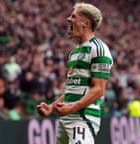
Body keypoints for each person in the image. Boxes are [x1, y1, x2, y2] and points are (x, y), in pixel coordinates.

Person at [37, 2, 113, 144]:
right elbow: (72, 89)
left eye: (73, 16)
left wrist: (71, 108)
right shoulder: (74, 52)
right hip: (66, 119)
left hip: (82, 119)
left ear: (85, 23)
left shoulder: (99, 49)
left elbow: (99, 89)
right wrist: (52, 107)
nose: (68, 19)